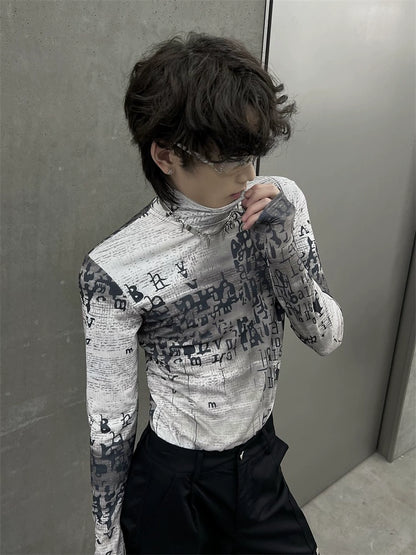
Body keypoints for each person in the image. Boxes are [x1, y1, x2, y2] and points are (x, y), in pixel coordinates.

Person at [78, 32, 343, 555]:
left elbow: (327, 337)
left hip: (257, 459)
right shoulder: (114, 268)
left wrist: (283, 251)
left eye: (254, 154)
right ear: (165, 155)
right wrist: (107, 543)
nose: (248, 175)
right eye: (227, 160)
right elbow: (110, 424)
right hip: (174, 479)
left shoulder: (279, 203)